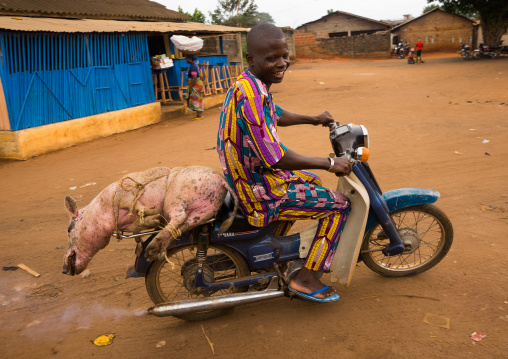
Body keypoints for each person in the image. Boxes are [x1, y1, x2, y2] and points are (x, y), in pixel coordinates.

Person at [216, 23, 352, 302]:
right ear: (251, 59)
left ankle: (270, 249)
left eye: (284, 56)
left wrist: (313, 118)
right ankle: (306, 278)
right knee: (339, 205)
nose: (282, 63)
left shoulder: (249, 84)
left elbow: (274, 113)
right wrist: (330, 163)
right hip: (258, 189)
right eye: (271, 58)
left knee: (311, 182)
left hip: (251, 178)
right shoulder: (252, 94)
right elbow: (275, 157)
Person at [185, 54, 204, 120]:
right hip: (197, 84)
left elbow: (194, 78)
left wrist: (191, 87)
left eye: (187, 58)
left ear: (190, 59)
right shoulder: (194, 65)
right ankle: (199, 115)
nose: (186, 59)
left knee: (195, 99)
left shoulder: (193, 66)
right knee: (197, 98)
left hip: (195, 85)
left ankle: (200, 115)